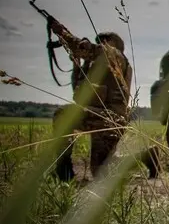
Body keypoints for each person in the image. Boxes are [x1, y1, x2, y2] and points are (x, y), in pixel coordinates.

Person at [47, 19, 151, 181]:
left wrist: (62, 33)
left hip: (110, 119)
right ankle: (63, 169)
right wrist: (77, 65)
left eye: (104, 42)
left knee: (100, 171)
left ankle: (146, 156)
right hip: (96, 117)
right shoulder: (96, 68)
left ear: (114, 44)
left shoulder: (116, 56)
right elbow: (78, 95)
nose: (101, 44)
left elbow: (86, 48)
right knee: (63, 115)